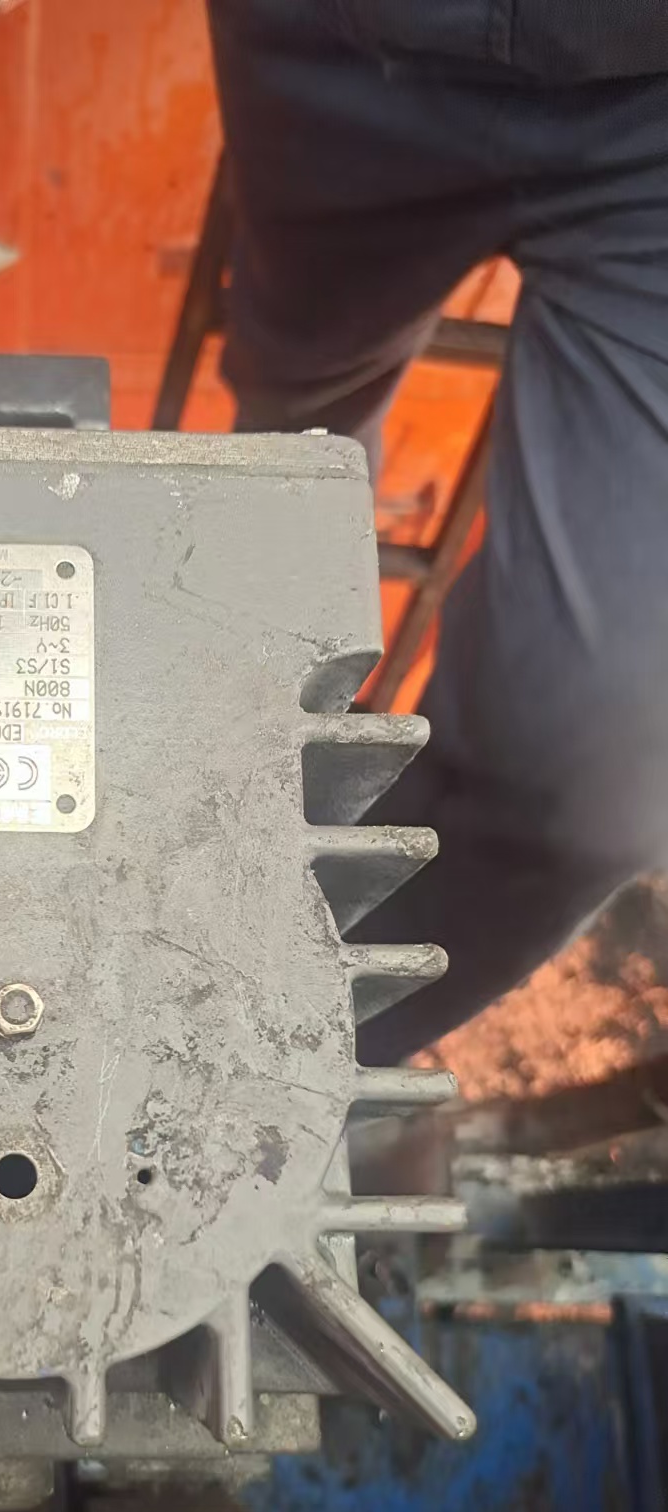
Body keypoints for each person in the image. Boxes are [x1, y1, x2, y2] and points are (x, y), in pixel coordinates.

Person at [208, 1, 668, 1064]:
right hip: (336, 43)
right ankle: (231, 790)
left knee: (585, 784)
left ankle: (257, 1047)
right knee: (295, 442)